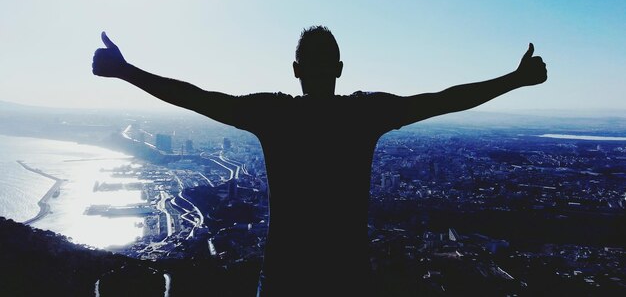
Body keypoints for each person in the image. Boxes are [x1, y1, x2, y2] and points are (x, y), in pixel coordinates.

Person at [92, 26, 547, 296]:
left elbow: (197, 98)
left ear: (295, 69)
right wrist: (515, 79)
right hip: (347, 273)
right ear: (340, 68)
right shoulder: (364, 113)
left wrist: (125, 70)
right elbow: (444, 100)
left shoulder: (275, 114)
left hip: (285, 274)